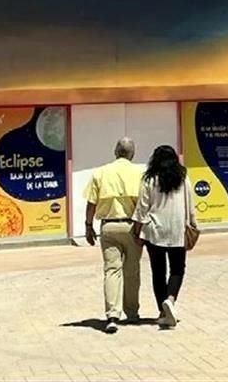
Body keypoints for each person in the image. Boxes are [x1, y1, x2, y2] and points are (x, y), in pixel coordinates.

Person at [131, 144, 197, 329]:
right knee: (177, 269)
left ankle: (162, 309)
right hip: (177, 229)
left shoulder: (149, 179)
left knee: (158, 272)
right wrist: (193, 224)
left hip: (155, 231)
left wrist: (137, 229)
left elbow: (142, 207)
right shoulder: (183, 178)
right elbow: (190, 204)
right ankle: (170, 299)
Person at [84, 137, 143, 334]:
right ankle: (132, 314)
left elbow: (91, 203)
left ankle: (112, 315)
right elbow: (144, 204)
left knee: (111, 270)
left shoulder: (100, 173)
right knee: (132, 271)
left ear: (115, 152)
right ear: (132, 154)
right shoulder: (139, 173)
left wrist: (88, 226)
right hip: (132, 227)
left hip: (108, 227)